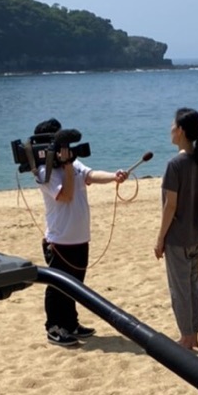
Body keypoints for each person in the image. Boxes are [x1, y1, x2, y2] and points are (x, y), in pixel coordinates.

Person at [34, 119, 127, 347]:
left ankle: (70, 323)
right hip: (59, 239)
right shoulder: (44, 171)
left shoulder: (73, 164)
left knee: (76, 284)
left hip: (80, 237)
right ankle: (54, 328)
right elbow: (65, 195)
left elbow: (91, 175)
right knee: (57, 287)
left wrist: (114, 176)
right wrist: (66, 165)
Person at [155, 107, 198, 350]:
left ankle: (187, 338)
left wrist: (159, 240)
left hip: (178, 238)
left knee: (180, 289)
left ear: (180, 131)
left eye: (173, 125)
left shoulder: (175, 164)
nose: (170, 129)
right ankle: (194, 336)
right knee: (193, 286)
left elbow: (170, 206)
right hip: (195, 235)